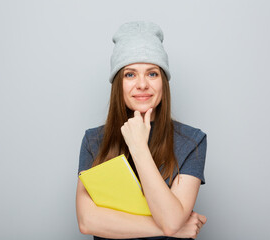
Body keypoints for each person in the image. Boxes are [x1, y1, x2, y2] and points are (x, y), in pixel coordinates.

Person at [76, 21, 208, 240]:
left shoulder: (192, 141)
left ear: (163, 82)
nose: (142, 84)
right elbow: (87, 221)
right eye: (130, 74)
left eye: (152, 74)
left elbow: (172, 220)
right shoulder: (94, 140)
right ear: (118, 83)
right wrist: (173, 228)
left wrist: (139, 148)